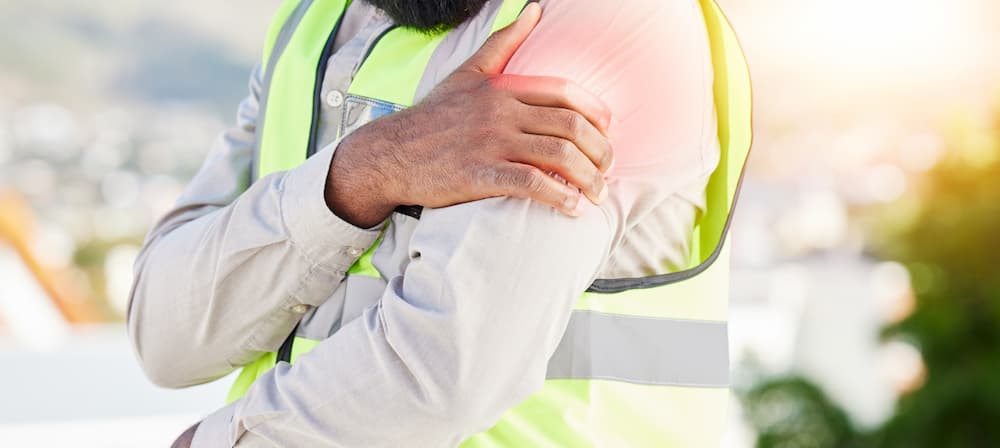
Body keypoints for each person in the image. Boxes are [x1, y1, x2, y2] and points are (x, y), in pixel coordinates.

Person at [128, 0, 743, 446]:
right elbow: (165, 334)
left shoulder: (604, 18)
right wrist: (361, 173)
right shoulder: (311, 23)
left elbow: (440, 376)